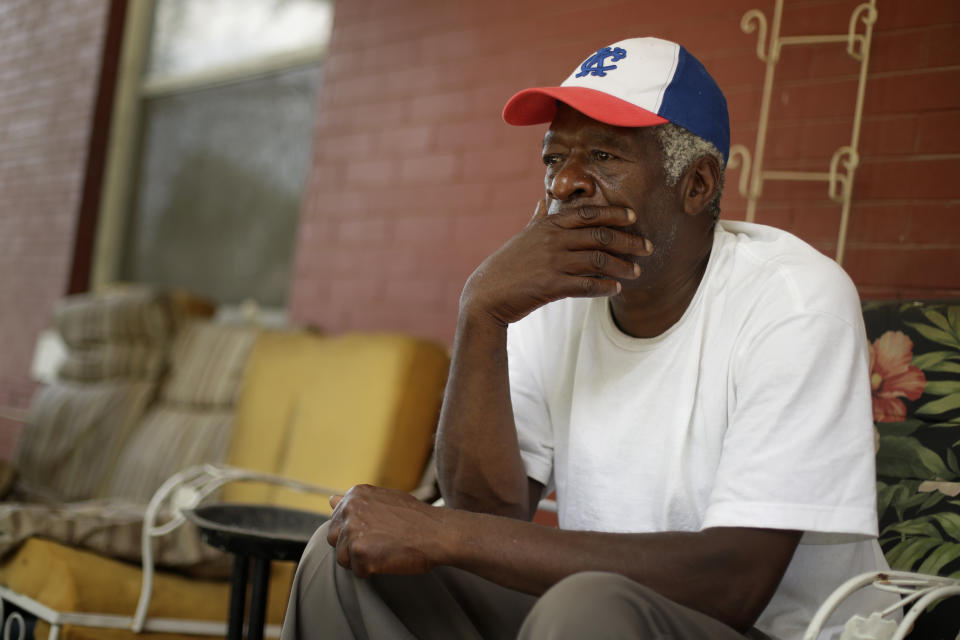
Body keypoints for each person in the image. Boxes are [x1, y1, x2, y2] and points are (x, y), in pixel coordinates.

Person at [281, 37, 897, 640]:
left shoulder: (794, 301)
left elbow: (733, 585)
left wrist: (446, 533)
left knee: (587, 605)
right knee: (340, 561)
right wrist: (482, 314)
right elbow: (487, 521)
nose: (564, 184)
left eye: (603, 156)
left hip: (772, 629)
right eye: (554, 158)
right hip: (586, 614)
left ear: (697, 185)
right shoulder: (553, 298)